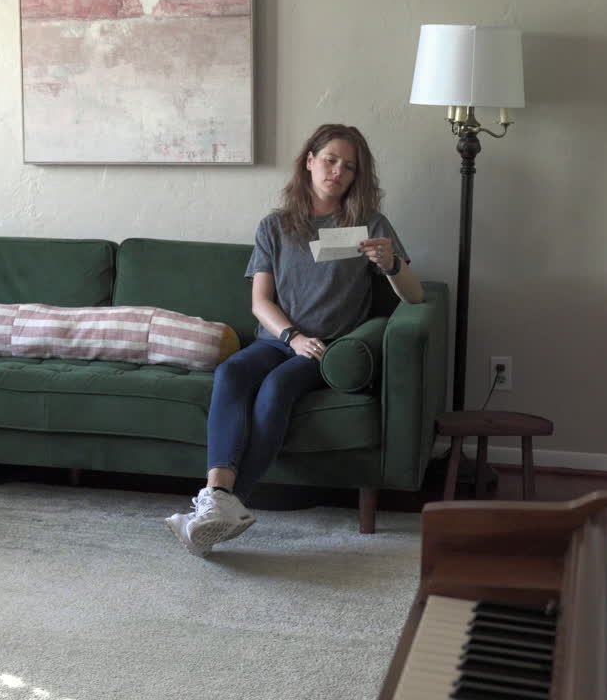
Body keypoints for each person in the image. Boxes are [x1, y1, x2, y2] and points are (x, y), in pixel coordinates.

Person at [165, 123, 425, 557]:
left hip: (328, 347)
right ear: (309, 160)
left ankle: (227, 505)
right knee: (231, 372)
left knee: (277, 387)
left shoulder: (369, 224)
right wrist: (291, 335)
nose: (337, 171)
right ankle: (217, 498)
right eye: (330, 160)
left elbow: (414, 296)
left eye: (348, 166)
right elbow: (259, 301)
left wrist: (392, 263)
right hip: (279, 339)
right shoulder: (276, 226)